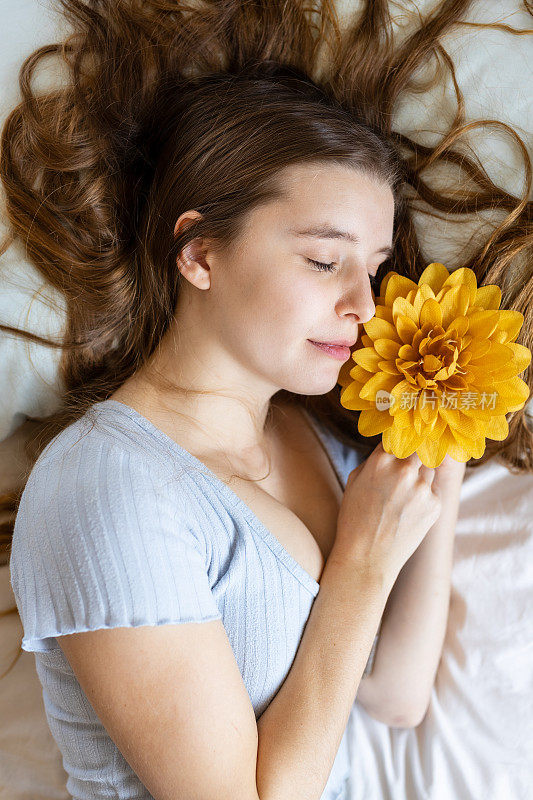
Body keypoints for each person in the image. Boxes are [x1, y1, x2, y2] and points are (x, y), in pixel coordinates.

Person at [1, 2, 530, 799]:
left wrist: (440, 447)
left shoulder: (310, 432)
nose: (363, 302)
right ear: (200, 252)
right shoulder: (106, 488)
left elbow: (392, 693)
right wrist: (360, 557)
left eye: (374, 267)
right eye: (323, 261)